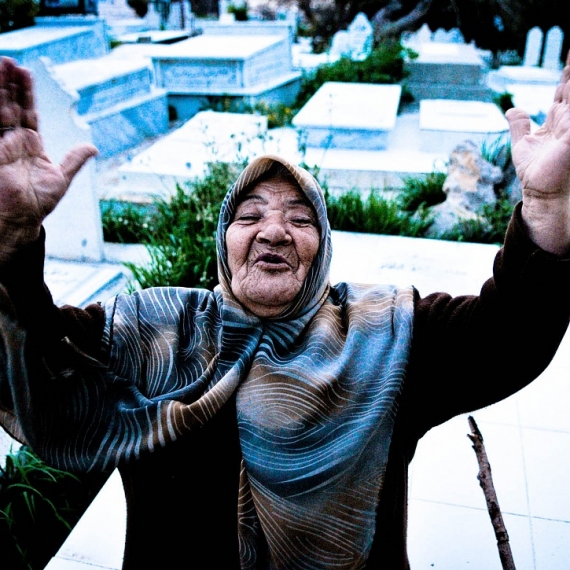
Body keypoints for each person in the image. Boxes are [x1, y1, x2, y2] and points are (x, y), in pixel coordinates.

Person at [1, 53, 570, 569]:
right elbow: (38, 362)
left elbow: (507, 338)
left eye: (301, 219)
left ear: (322, 247)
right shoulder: (153, 332)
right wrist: (11, 245)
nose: (274, 230)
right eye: (249, 215)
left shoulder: (382, 337)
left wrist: (546, 213)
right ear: (223, 243)